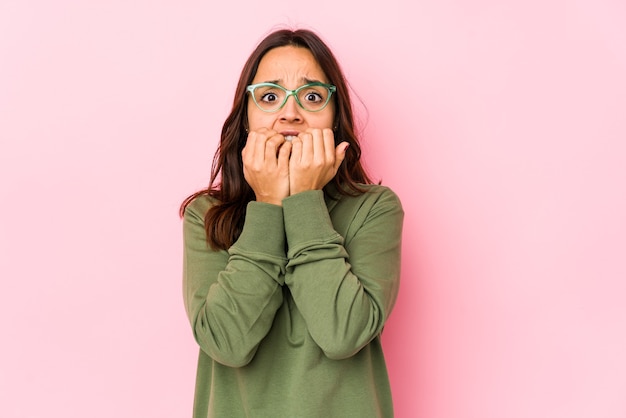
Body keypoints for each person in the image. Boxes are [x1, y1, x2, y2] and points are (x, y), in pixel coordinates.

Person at [180, 28, 404, 418]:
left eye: (312, 96)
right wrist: (268, 203)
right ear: (246, 119)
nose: (290, 113)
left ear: (335, 119)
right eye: (269, 96)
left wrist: (304, 201)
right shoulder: (207, 215)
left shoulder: (376, 209)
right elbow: (227, 342)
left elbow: (343, 334)